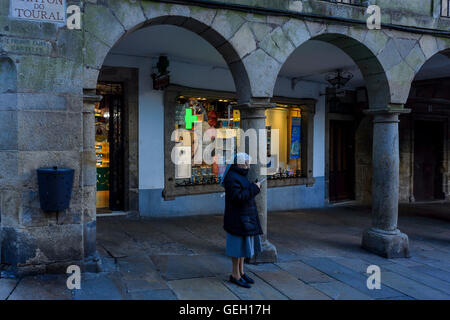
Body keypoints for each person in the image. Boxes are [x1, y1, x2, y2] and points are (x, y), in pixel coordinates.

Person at [221, 153, 263, 288]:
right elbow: (238, 198)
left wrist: (253, 187)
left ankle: (241, 272)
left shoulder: (238, 175)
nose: (247, 166)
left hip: (244, 218)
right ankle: (235, 275)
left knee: (243, 248)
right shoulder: (232, 177)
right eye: (245, 163)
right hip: (237, 219)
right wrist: (254, 188)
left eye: (248, 163)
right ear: (237, 163)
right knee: (237, 249)